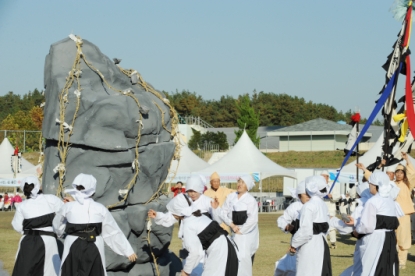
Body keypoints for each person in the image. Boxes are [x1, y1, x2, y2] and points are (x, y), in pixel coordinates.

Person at [53, 173, 137, 276]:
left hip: (72, 243)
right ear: (93, 190)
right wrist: (127, 251)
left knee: (70, 271)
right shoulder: (100, 208)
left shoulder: (68, 207)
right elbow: (112, 231)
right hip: (94, 243)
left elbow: (57, 224)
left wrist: (59, 233)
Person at [149, 175, 222, 276]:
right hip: (188, 239)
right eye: (190, 191)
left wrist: (216, 209)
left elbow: (216, 222)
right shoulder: (183, 200)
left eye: (194, 191)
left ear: (200, 189)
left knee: (203, 267)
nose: (192, 194)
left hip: (205, 241)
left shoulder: (207, 201)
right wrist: (157, 215)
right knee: (189, 263)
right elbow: (172, 215)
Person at [167, 193, 238, 276]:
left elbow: (195, 252)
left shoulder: (188, 224)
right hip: (225, 244)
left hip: (220, 250)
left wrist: (185, 272)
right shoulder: (196, 216)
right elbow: (198, 252)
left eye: (172, 211)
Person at [349, 171, 403, 275]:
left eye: (370, 184)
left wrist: (356, 231)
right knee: (387, 267)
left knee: (371, 268)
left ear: (374, 185)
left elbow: (367, 226)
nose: (369, 186)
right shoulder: (390, 201)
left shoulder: (373, 201)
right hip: (390, 238)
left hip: (375, 240)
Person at [11, 176, 64, 276]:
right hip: (48, 239)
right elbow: (63, 216)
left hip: (28, 240)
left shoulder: (22, 206)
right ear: (38, 186)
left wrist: (27, 233)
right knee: (49, 270)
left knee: (25, 270)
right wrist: (58, 232)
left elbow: (17, 225)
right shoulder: (51, 199)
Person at [216, 174, 259, 276]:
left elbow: (253, 219)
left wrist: (241, 230)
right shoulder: (231, 197)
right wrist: (231, 225)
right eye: (239, 181)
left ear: (247, 186)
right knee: (233, 256)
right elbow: (223, 213)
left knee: (244, 258)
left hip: (246, 234)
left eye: (242, 182)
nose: (239, 184)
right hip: (234, 232)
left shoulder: (250, 200)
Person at [290, 175, 332, 276]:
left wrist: (294, 244)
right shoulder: (323, 205)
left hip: (310, 246)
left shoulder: (308, 206)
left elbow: (305, 231)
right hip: (322, 243)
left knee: (308, 271)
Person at [329, 181, 372, 276]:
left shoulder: (362, 206)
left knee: (361, 269)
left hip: (366, 242)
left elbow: (347, 227)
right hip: (382, 242)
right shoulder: (380, 203)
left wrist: (332, 220)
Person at [393, 152, 415, 269]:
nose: (399, 174)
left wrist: (407, 160)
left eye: (402, 172)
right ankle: (392, 259)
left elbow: (412, 174)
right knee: (391, 238)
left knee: (403, 238)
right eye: (397, 172)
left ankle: (402, 261)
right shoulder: (391, 184)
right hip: (392, 215)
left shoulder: (407, 185)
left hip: (404, 215)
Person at [321, 170, 340, 249]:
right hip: (321, 208)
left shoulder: (333, 185)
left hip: (330, 207)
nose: (322, 178)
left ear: (327, 177)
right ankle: (324, 242)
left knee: (331, 226)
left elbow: (337, 196)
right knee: (322, 225)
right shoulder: (318, 185)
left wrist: (331, 196)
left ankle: (333, 242)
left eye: (323, 176)